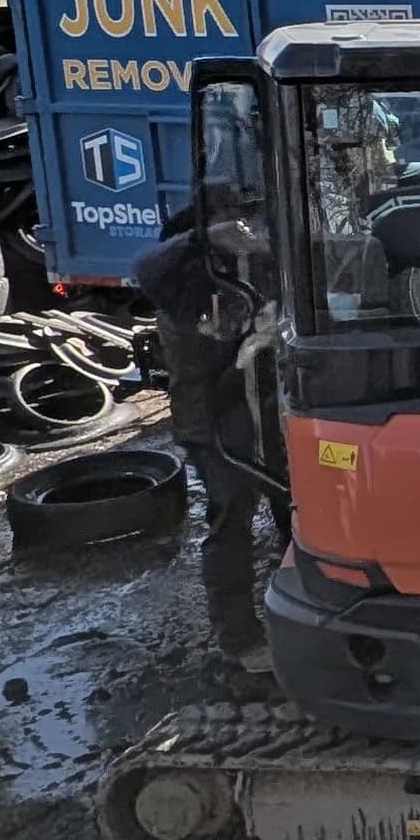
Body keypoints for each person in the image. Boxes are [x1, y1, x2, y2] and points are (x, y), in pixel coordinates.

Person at [133, 210, 276, 676]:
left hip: (262, 412)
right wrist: (203, 238)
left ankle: (295, 602)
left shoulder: (233, 282)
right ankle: (239, 637)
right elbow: (148, 267)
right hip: (214, 422)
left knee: (293, 505)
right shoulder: (180, 291)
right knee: (231, 519)